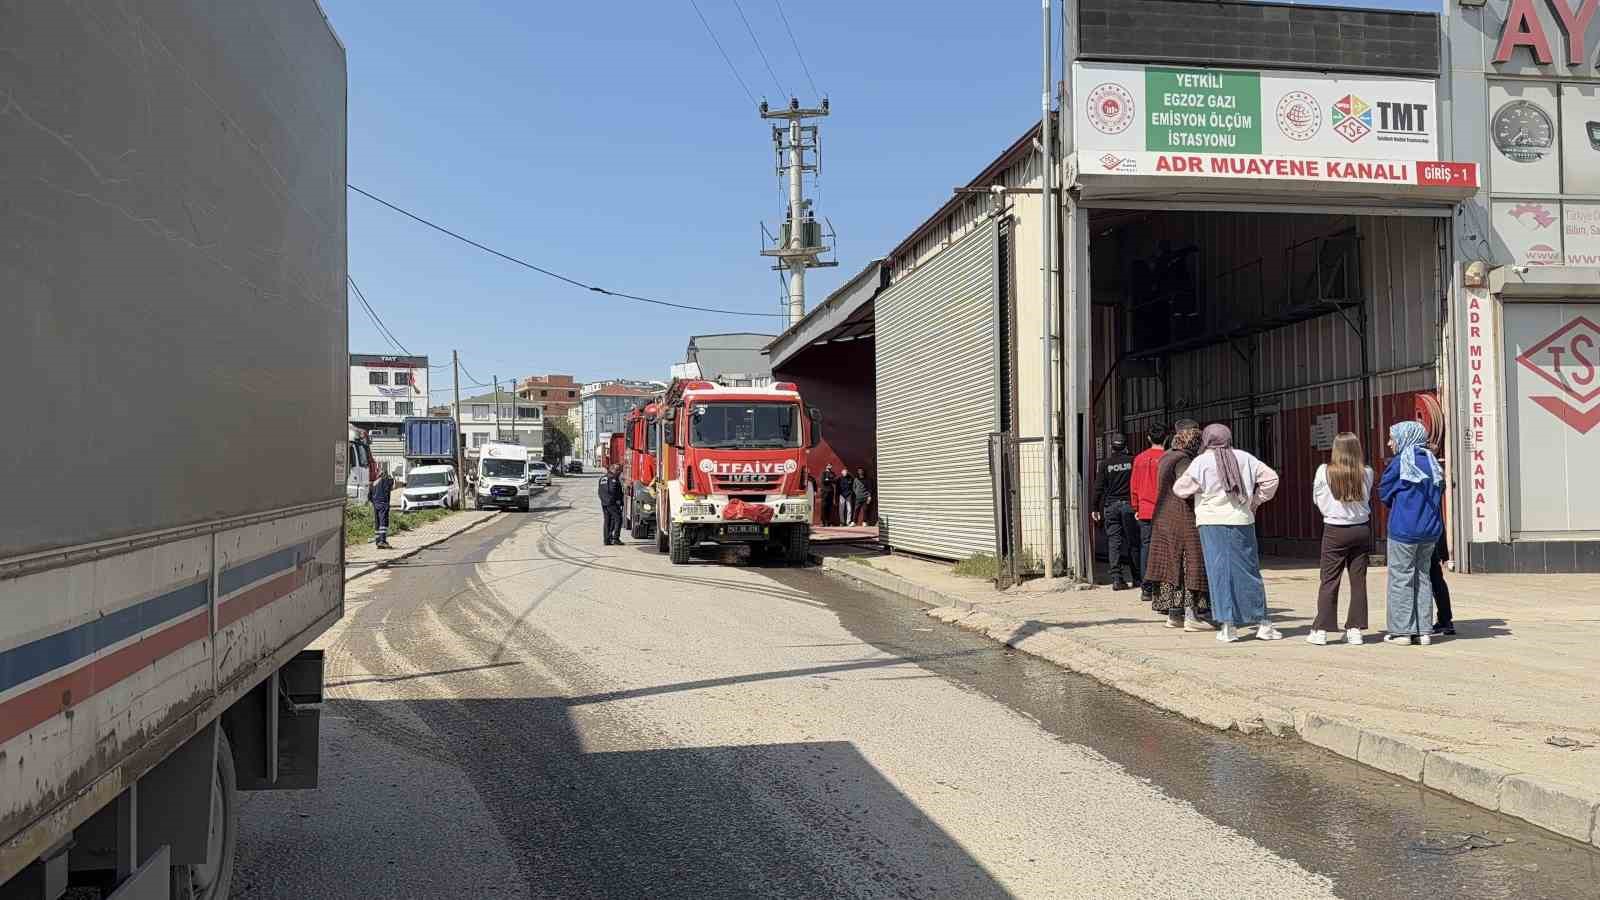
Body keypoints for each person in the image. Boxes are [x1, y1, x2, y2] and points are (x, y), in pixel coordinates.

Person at [1174, 424, 1281, 643]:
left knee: (1218, 573)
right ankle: (1263, 623)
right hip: (1242, 521)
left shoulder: (1201, 462)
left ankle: (1227, 626)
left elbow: (1180, 488)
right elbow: (1271, 479)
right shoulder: (1244, 457)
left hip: (1211, 523)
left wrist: (1202, 492)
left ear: (1207, 440)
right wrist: (1255, 501)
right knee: (1249, 572)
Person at [1141, 420, 1212, 631]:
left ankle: (1174, 615)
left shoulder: (1167, 455)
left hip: (1163, 517)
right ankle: (1192, 615)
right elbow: (1186, 486)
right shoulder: (1184, 459)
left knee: (1171, 565)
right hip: (1182, 517)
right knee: (1189, 562)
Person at [1379, 421, 1445, 646]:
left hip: (1404, 530)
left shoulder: (1400, 463)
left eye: (1392, 438)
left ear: (1405, 438)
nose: (1389, 443)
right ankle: (1424, 631)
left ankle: (1402, 632)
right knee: (1423, 576)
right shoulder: (1432, 461)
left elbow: (1384, 492)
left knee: (1401, 579)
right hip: (1430, 531)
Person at [1309, 432, 1374, 646]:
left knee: (1329, 579)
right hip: (1361, 529)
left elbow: (1317, 500)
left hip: (1335, 529)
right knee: (1358, 581)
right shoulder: (1367, 472)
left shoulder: (1323, 471)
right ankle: (1355, 630)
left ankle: (1321, 630)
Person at [1092, 433, 1139, 590]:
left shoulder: (1105, 464)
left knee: (1114, 542)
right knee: (1133, 542)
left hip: (1111, 506)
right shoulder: (1133, 461)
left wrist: (1094, 507)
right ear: (1126, 445)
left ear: (1112, 447)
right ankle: (1137, 578)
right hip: (1129, 506)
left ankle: (1117, 579)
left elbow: (1098, 487)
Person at [1129, 424, 1168, 592]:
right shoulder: (1169, 458)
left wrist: (1135, 506)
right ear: (1167, 438)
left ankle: (1146, 586)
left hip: (1145, 509)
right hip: (1166, 510)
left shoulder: (1139, 459)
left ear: (1149, 438)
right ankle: (1164, 585)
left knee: (1147, 546)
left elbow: (1134, 486)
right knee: (1166, 547)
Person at [1427, 442, 1455, 636]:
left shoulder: (1413, 467)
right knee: (1436, 576)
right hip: (1436, 528)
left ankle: (1420, 623)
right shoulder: (1436, 469)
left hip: (1421, 530)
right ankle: (1445, 620)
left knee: (1423, 577)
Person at [369, 463, 394, 549]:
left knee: (377, 523)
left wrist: (374, 502)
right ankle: (383, 541)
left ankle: (378, 541)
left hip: (376, 505)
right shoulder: (385, 480)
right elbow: (391, 484)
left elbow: (369, 496)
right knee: (383, 523)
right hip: (383, 504)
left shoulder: (374, 483)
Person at [599, 464, 625, 545]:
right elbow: (614, 491)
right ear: (613, 470)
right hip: (612, 503)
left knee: (607, 521)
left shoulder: (602, 478)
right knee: (618, 519)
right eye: (618, 470)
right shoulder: (613, 479)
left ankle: (606, 540)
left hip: (604, 503)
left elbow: (599, 491)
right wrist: (618, 501)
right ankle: (616, 538)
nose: (619, 472)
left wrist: (603, 501)